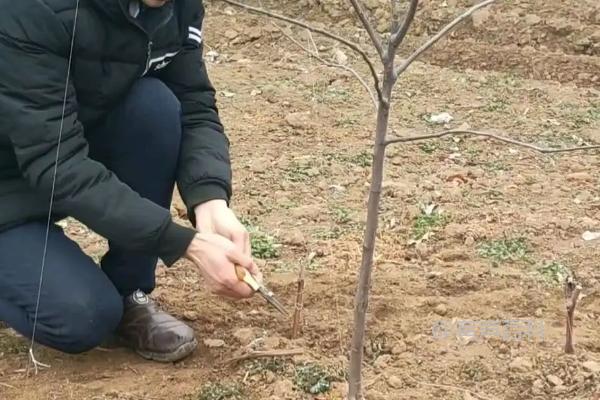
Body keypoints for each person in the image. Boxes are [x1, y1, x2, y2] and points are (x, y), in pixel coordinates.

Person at [0, 0, 262, 363]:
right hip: (16, 177)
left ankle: (129, 292)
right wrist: (184, 243)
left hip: (66, 146)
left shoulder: (177, 7)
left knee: (153, 106)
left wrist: (210, 199)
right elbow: (55, 163)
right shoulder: (33, 9)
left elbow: (193, 104)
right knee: (81, 317)